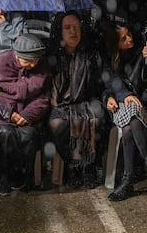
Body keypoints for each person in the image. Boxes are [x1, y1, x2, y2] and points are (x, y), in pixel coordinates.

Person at [103, 21, 147, 201]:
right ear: (114, 43)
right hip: (120, 103)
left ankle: (128, 180)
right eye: (123, 38)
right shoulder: (110, 59)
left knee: (129, 126)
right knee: (131, 113)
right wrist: (116, 96)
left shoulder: (144, 49)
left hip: (146, 102)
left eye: (130, 34)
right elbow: (109, 84)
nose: (129, 38)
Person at [0, 34, 51, 196]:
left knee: (29, 134)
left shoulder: (42, 67)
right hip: (1, 114)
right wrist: (9, 114)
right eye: (27, 61)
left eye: (36, 60)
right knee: (5, 134)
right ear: (17, 55)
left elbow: (43, 99)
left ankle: (22, 177)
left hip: (27, 115)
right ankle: (2, 177)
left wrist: (27, 115)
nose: (33, 64)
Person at [47, 11, 107, 189]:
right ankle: (72, 165)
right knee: (58, 124)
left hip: (87, 102)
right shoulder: (52, 57)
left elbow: (100, 85)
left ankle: (88, 166)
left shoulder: (90, 56)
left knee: (96, 119)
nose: (73, 32)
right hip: (59, 105)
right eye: (67, 28)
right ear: (60, 31)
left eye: (76, 27)